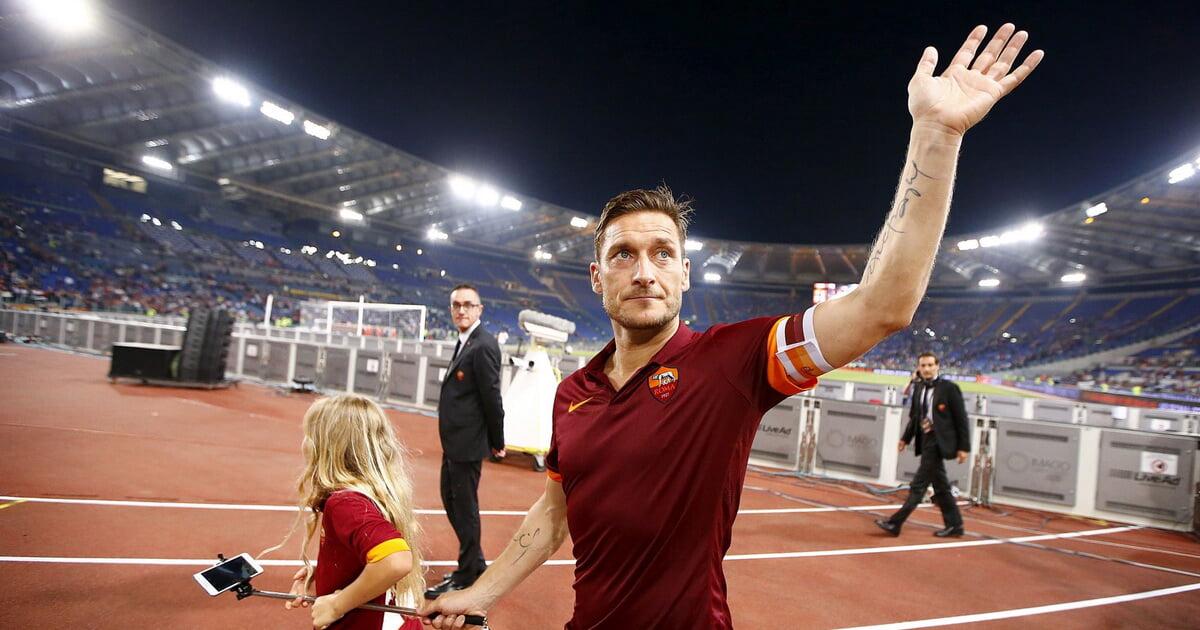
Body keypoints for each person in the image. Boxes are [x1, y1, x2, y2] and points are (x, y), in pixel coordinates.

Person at [423, 23, 1042, 628]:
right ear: (596, 276)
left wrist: (936, 134)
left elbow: (883, 305)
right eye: (624, 255)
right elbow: (553, 513)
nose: (645, 272)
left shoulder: (736, 361)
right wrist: (480, 592)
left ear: (685, 273)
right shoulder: (572, 394)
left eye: (663, 253)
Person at [269, 394, 424, 630]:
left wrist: (336, 605)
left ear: (327, 446)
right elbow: (368, 555)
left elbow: (395, 560)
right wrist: (326, 572)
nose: (305, 443)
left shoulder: (345, 503)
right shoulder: (371, 494)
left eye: (310, 435)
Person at [425, 284, 506, 599]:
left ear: (479, 309)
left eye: (468, 305)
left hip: (467, 443)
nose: (461, 310)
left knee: (464, 507)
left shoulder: (483, 345)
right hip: (455, 441)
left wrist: (497, 441)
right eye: (456, 305)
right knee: (451, 500)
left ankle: (466, 573)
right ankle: (475, 563)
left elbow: (492, 399)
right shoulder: (466, 341)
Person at [875, 352, 970, 537]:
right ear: (918, 368)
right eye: (923, 365)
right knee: (941, 486)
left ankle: (895, 523)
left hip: (939, 441)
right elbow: (915, 417)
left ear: (937, 366)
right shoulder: (918, 388)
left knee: (919, 485)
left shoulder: (950, 388)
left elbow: (961, 419)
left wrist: (963, 447)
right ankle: (955, 525)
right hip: (926, 439)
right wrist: (905, 439)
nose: (926, 369)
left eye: (930, 365)